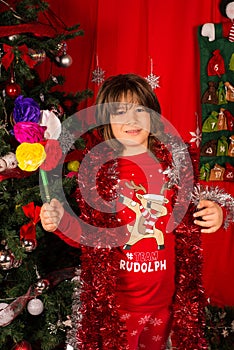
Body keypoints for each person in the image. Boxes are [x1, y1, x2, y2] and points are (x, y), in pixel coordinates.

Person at [40, 74, 227, 350]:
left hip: (166, 305)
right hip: (118, 308)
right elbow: (89, 237)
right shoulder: (98, 175)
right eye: (120, 112)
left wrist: (218, 212)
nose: (132, 120)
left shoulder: (175, 167)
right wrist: (59, 223)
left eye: (140, 110)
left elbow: (198, 210)